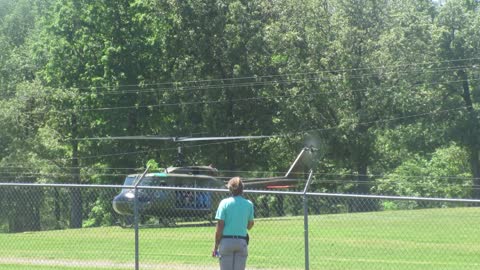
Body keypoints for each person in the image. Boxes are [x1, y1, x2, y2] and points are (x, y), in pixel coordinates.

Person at [212, 177, 254, 270]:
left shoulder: (224, 203)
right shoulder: (248, 204)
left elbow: (220, 227)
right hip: (242, 242)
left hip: (226, 242)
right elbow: (250, 225)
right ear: (242, 189)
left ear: (230, 189)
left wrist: (215, 246)